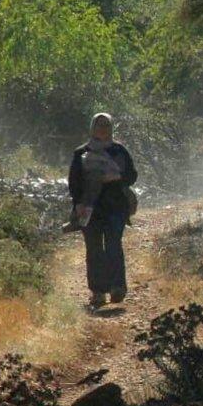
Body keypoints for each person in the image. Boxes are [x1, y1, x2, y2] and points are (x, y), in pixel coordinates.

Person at [68, 113, 138, 308]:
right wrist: (79, 204)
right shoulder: (81, 152)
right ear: (92, 127)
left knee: (114, 245)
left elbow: (131, 176)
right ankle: (98, 292)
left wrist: (115, 177)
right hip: (90, 208)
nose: (103, 128)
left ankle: (117, 288)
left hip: (115, 206)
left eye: (107, 125)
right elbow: (74, 182)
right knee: (94, 249)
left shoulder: (119, 151)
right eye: (100, 125)